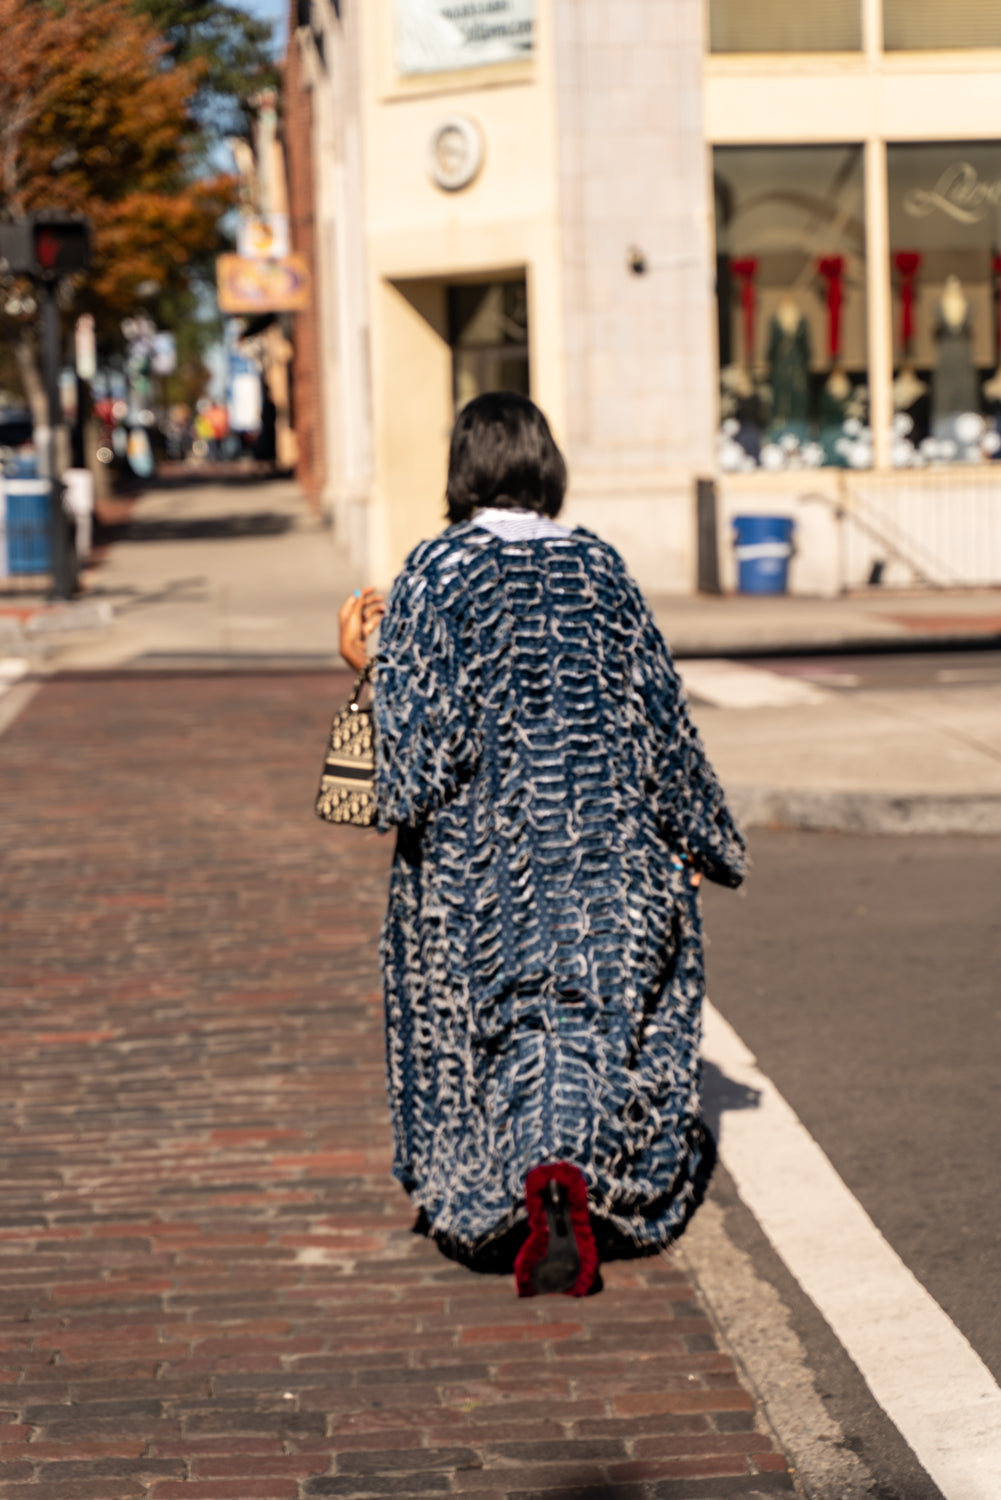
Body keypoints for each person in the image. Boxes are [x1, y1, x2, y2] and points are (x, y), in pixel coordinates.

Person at [337, 392, 745, 1298]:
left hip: (485, 860)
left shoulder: (435, 574)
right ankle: (580, 1179)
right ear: (544, 463)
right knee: (596, 1023)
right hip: (609, 851)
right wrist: (702, 841)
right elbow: (661, 721)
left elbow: (408, 770)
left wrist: (365, 671)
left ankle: (515, 1191)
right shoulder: (600, 568)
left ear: (463, 465)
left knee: (499, 1027)